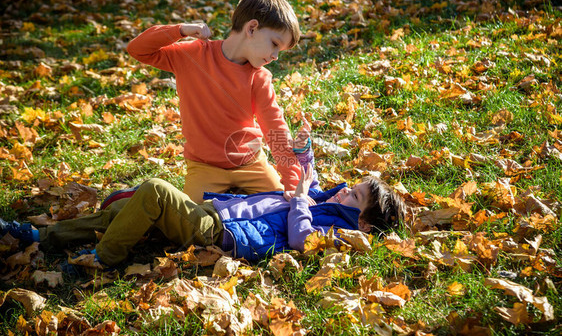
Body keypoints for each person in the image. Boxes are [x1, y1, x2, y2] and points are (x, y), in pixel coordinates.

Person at [0, 130, 406, 267]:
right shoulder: (329, 201)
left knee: (156, 191)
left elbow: (302, 239)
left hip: (222, 234)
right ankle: (38, 238)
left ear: (365, 222)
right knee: (127, 209)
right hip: (214, 212)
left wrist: (300, 200)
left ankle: (104, 259)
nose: (347, 189)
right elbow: (310, 181)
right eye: (354, 185)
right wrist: (304, 150)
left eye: (356, 195)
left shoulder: (339, 230)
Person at [127, 0, 303, 203]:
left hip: (251, 164)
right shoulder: (192, 55)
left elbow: (276, 128)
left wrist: (292, 185)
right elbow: (138, 49)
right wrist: (180, 30)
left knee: (279, 210)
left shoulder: (259, 77)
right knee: (192, 222)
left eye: (280, 50)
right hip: (204, 167)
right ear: (252, 28)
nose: (276, 56)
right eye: (275, 44)